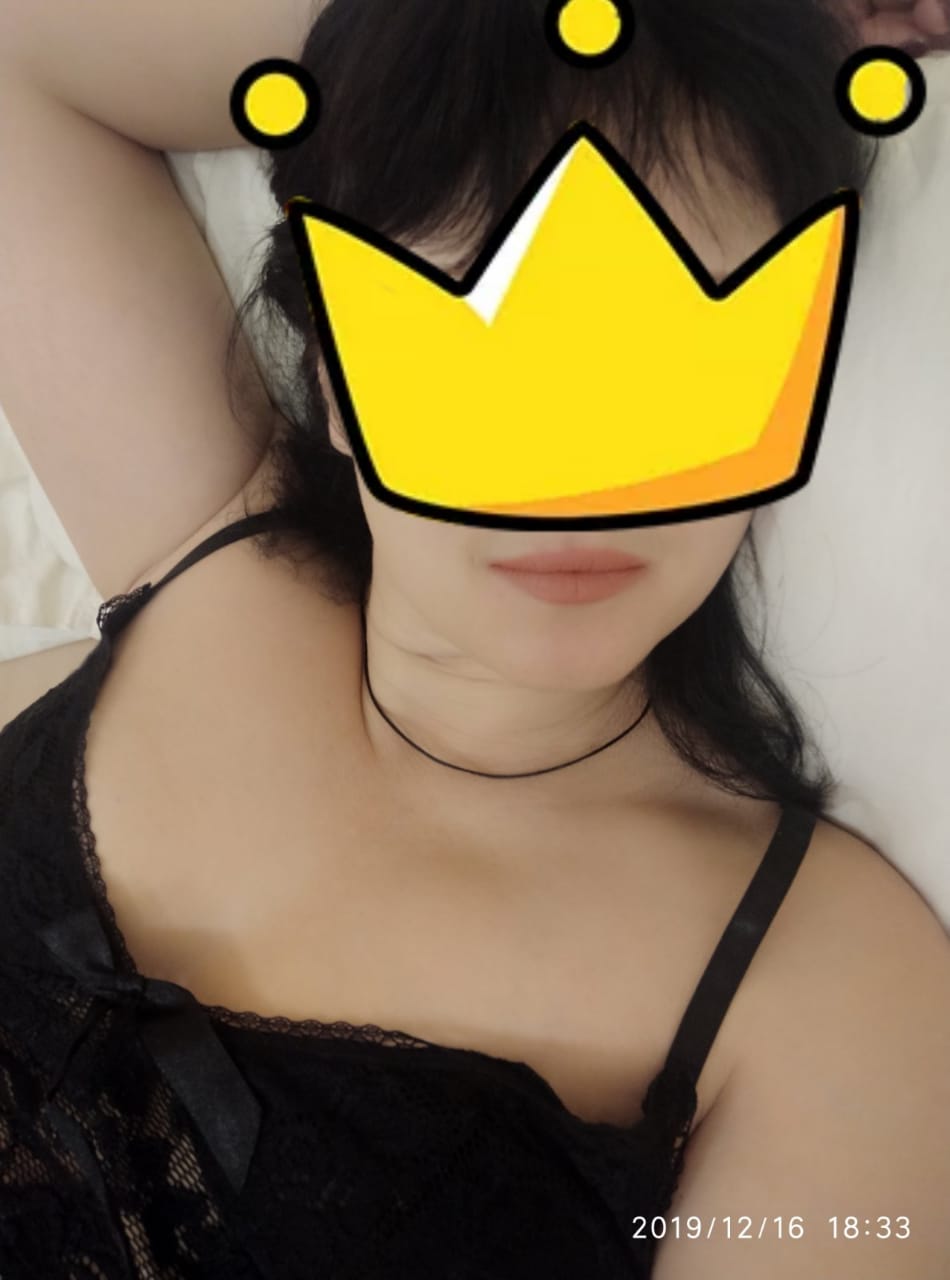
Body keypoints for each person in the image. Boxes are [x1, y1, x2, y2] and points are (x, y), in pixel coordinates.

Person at [1, 2, 949, 1278]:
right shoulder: (210, 545)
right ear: (338, 383)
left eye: (675, 377)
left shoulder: (822, 985)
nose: (572, 485)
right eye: (480, 364)